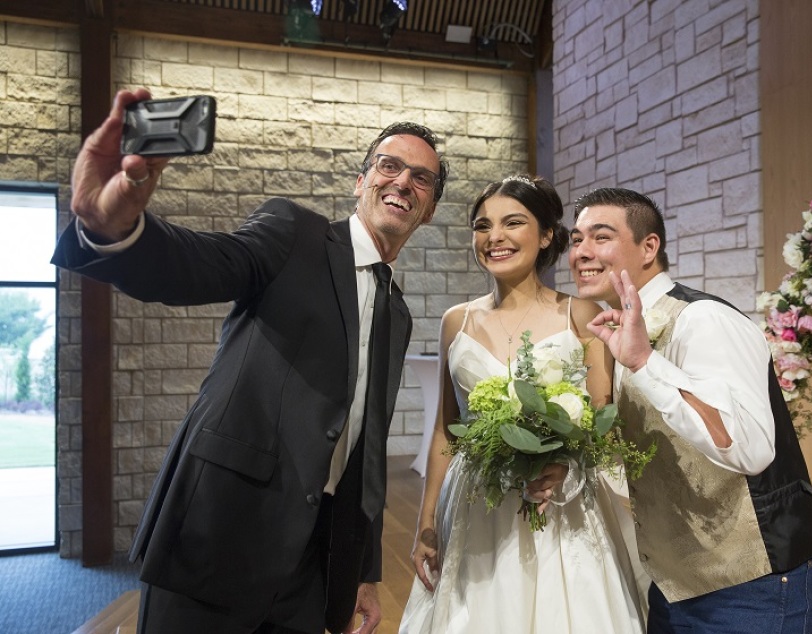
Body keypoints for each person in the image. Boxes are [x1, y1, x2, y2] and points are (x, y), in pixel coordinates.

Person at [51, 88, 450, 634]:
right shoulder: (294, 234)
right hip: (218, 539)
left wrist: (362, 571)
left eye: (421, 178)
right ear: (362, 183)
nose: (403, 181)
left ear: (427, 210)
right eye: (389, 165)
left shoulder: (398, 314)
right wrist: (112, 229)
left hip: (311, 572)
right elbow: (205, 264)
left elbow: (365, 450)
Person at [568, 187, 812, 634]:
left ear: (649, 247)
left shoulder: (703, 320)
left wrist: (646, 364)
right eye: (576, 239)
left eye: (600, 236)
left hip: (753, 588)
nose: (581, 252)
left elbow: (748, 449)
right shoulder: (620, 330)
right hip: (674, 584)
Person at [399, 175, 647, 633]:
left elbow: (600, 416)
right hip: (477, 502)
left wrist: (564, 465)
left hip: (561, 503)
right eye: (482, 225)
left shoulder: (581, 315)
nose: (494, 237)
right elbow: (443, 430)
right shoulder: (457, 321)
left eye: (513, 222)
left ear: (547, 234)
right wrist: (427, 523)